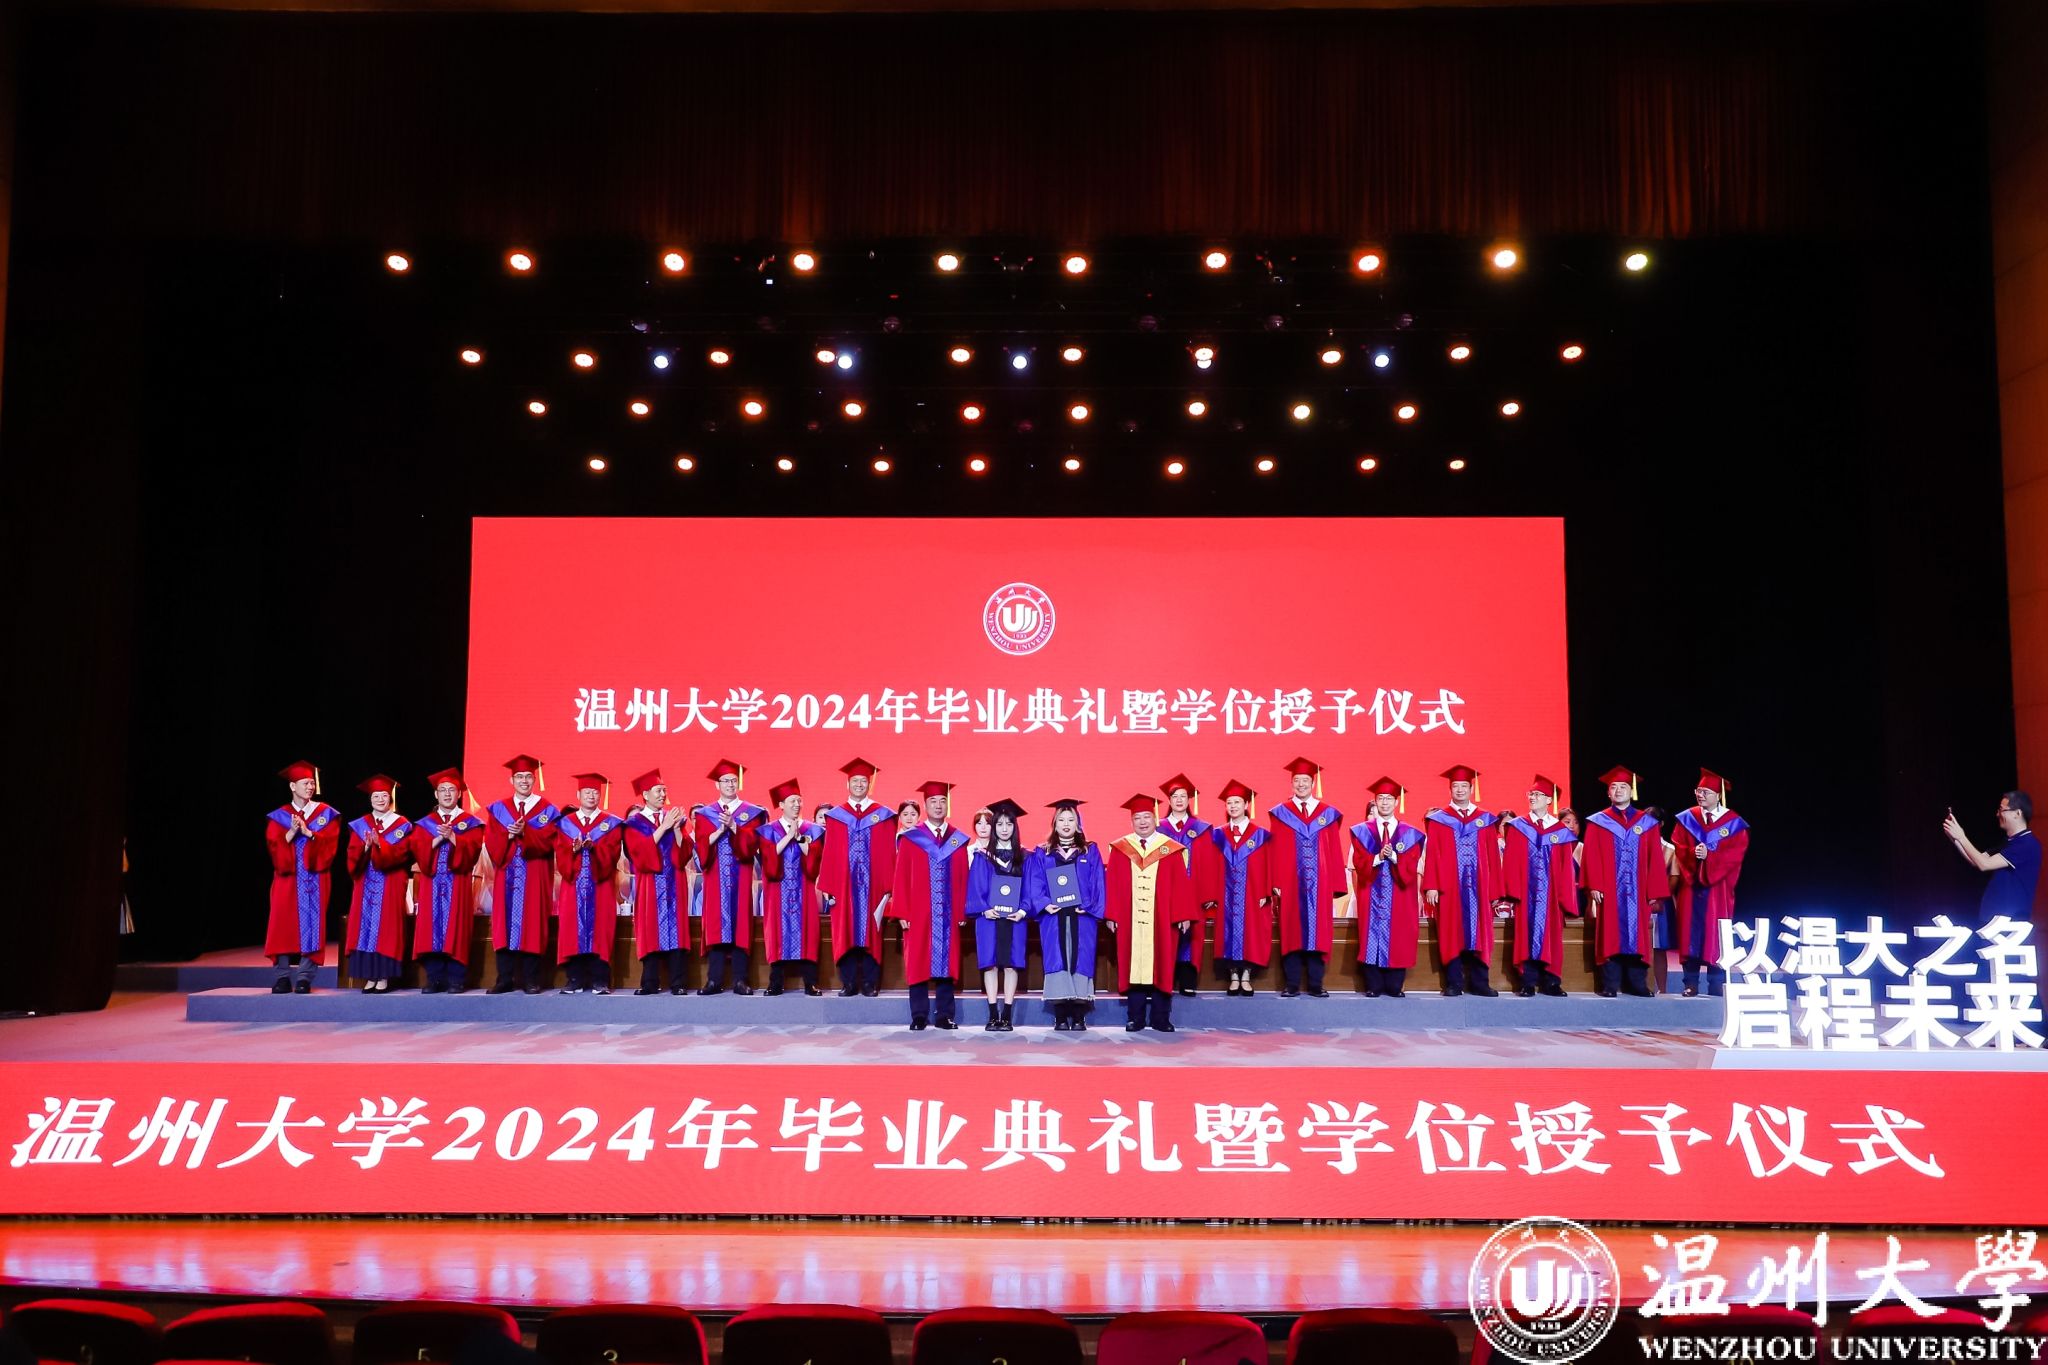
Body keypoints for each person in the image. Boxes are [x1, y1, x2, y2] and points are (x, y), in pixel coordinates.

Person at [1105, 794, 1195, 1032]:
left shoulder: (1169, 849)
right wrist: (1112, 914)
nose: (1143, 822)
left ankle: (1160, 1018)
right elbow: (1112, 883)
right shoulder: (1122, 849)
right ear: (1131, 821)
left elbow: (1180, 885)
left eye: (1147, 817)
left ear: (1155, 819)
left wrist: (1183, 914)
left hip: (1162, 918)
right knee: (1133, 964)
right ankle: (1135, 1017)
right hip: (1130, 918)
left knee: (1163, 964)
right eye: (1137, 818)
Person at [891, 780, 972, 1030]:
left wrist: (961, 910)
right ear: (925, 806)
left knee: (947, 962)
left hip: (948, 912)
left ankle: (944, 1015)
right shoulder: (911, 838)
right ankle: (918, 1015)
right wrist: (902, 911)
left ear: (948, 805)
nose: (938, 806)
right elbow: (901, 876)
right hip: (919, 911)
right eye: (933, 801)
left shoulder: (957, 840)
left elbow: (963, 877)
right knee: (918, 960)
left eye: (942, 801)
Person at [1421, 765, 1506, 997]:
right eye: (1455, 786)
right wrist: (1432, 885)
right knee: (1451, 933)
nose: (1459, 790)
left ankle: (1480, 983)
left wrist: (1495, 890)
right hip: (1450, 888)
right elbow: (1432, 855)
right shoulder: (1439, 820)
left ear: (1471, 788)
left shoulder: (1485, 820)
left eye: (1464, 786)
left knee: (1480, 933)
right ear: (1450, 789)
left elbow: (1493, 857)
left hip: (1479, 888)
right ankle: (1453, 983)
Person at [1267, 757, 1346, 998]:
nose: (1301, 784)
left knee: (1318, 932)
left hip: (1320, 883)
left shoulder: (1327, 814)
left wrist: (1335, 883)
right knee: (1291, 931)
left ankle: (1315, 984)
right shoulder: (1281, 813)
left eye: (1305, 780)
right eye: (1297, 780)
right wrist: (1276, 881)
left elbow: (1334, 850)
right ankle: (1291, 984)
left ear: (1313, 783)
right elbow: (1275, 849)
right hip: (1291, 882)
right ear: (1292, 784)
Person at [819, 758, 897, 998]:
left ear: (869, 784)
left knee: (872, 932)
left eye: (864, 781)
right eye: (855, 781)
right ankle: (849, 983)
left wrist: (888, 887)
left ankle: (870, 983)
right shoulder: (837, 816)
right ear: (848, 784)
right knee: (846, 931)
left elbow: (888, 853)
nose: (859, 785)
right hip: (844, 887)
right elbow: (830, 852)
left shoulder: (882, 815)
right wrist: (828, 885)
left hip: (873, 887)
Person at [1581, 766, 1662, 997]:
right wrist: (1595, 884)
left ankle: (1637, 983)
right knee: (1610, 935)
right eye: (1613, 787)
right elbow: (1591, 856)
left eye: (1623, 786)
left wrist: (1654, 890)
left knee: (1637, 935)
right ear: (1608, 792)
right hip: (1610, 889)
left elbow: (1654, 858)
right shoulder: (1598, 822)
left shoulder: (1646, 822)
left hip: (1638, 889)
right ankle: (1610, 984)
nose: (1618, 790)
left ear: (1631, 791)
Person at [1029, 798, 1108, 1031]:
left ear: (1078, 823)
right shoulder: (1043, 852)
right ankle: (1061, 1015)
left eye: (1071, 819)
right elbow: (1035, 882)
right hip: (1054, 918)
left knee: (1081, 959)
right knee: (1058, 960)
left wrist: (1089, 906)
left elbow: (1098, 882)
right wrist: (1044, 904)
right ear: (1054, 824)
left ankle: (1080, 1015)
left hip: (1082, 917)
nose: (1066, 824)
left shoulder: (1089, 850)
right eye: (1061, 820)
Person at [484, 754, 558, 995]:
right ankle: (504, 979)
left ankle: (531, 980)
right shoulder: (498, 809)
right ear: (511, 780)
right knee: (504, 925)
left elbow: (550, 842)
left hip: (534, 876)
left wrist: (526, 833)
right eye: (519, 777)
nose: (524, 781)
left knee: (532, 924)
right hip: (507, 874)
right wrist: (508, 835)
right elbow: (491, 842)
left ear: (534, 779)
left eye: (528, 777)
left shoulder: (547, 810)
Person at [1672, 769, 1750, 997]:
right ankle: (1690, 983)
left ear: (1718, 795)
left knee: (1716, 934)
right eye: (1698, 791)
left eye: (1706, 792)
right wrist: (1692, 854)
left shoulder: (1733, 824)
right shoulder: (1687, 819)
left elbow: (1735, 856)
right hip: (1691, 885)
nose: (1700, 795)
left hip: (1718, 889)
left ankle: (1716, 984)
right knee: (1689, 933)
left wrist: (1711, 858)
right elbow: (1679, 846)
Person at [264, 761, 341, 994]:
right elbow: (274, 850)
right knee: (282, 925)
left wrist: (309, 833)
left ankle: (305, 978)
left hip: (315, 879)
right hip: (287, 880)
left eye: (311, 783)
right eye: (305, 783)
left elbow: (330, 848)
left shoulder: (326, 814)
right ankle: (282, 977)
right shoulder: (279, 816)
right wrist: (291, 832)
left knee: (313, 926)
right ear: (292, 786)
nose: (310, 787)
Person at [690, 759, 765, 996]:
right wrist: (719, 831)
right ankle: (714, 980)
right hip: (715, 879)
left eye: (734, 780)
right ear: (717, 785)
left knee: (741, 926)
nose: (730, 784)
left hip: (741, 877)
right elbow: (701, 848)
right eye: (725, 781)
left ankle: (741, 980)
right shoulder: (705, 814)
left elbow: (751, 847)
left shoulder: (751, 813)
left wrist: (734, 827)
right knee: (716, 925)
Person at [1196, 779, 1277, 997]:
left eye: (1237, 802)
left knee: (1251, 932)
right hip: (1226, 893)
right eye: (1229, 803)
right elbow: (1211, 866)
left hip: (1252, 892)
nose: (1233, 806)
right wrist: (1211, 894)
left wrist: (1266, 891)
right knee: (1228, 931)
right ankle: (1233, 976)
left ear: (1246, 805)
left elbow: (1268, 864)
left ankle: (1246, 975)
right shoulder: (1218, 835)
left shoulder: (1260, 835)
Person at [1500, 776, 1578, 997]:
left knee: (1551, 937)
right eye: (1531, 794)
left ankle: (1551, 982)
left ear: (1549, 800)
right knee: (1525, 935)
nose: (1532, 798)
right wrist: (1512, 892)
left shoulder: (1560, 831)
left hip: (1551, 896)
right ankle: (1527, 982)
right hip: (1526, 894)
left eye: (1537, 795)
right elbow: (1511, 861)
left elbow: (1565, 868)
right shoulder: (1518, 827)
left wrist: (1565, 897)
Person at [410, 768, 485, 994]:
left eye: (451, 790)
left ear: (459, 794)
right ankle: (434, 979)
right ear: (436, 795)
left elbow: (473, 852)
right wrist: (437, 839)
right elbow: (418, 850)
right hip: (431, 883)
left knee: (457, 928)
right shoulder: (425, 823)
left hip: (457, 884)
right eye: (442, 790)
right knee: (431, 928)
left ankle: (456, 979)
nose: (447, 794)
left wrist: (453, 838)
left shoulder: (470, 822)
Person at [1347, 776, 1423, 998]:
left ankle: (1394, 985)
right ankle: (1373, 985)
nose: (1385, 802)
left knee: (1399, 935)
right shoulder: (1362, 830)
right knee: (1370, 935)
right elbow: (1358, 861)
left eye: (1389, 798)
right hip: (1372, 891)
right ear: (1375, 801)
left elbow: (1413, 863)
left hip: (1400, 893)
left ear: (1396, 802)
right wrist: (1378, 857)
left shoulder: (1410, 833)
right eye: (1381, 798)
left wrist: (1396, 857)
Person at [553, 774, 627, 994]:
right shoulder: (565, 823)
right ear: (578, 795)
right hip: (573, 886)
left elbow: (613, 854)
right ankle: (574, 979)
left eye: (595, 792)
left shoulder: (611, 823)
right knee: (572, 929)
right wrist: (574, 850)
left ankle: (600, 980)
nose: (591, 796)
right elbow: (561, 855)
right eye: (587, 792)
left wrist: (595, 849)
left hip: (600, 886)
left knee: (600, 930)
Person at [622, 768, 691, 995]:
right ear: (645, 794)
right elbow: (639, 855)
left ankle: (678, 983)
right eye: (658, 790)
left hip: (674, 883)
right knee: (651, 929)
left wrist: (677, 829)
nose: (662, 794)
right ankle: (649, 982)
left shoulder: (673, 819)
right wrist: (663, 827)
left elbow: (683, 856)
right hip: (650, 884)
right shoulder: (633, 824)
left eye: (664, 790)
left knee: (677, 930)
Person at [343, 775, 413, 994]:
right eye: (376, 796)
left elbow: (402, 854)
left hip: (390, 883)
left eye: (384, 795)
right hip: (365, 883)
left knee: (386, 929)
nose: (380, 799)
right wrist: (366, 847)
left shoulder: (401, 825)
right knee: (365, 928)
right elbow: (352, 856)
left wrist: (380, 845)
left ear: (390, 797)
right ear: (370, 799)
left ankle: (383, 976)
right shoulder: (360, 825)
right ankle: (370, 976)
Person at [968, 798, 1031, 1031]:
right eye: (1000, 824)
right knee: (991, 964)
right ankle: (993, 1014)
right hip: (989, 919)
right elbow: (975, 888)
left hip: (1015, 919)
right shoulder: (982, 856)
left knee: (1011, 964)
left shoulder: (1025, 856)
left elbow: (1030, 889)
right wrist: (985, 908)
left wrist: (1023, 910)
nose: (1004, 829)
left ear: (1015, 827)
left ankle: (1007, 1015)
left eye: (1009, 824)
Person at [759, 779, 825, 995]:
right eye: (792, 801)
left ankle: (810, 982)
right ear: (781, 805)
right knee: (777, 932)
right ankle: (775, 982)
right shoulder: (768, 831)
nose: (797, 805)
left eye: (799, 800)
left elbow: (815, 863)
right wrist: (789, 836)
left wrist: (800, 840)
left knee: (808, 932)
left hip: (803, 890)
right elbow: (768, 861)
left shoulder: (813, 830)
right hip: (777, 891)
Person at [1945, 791, 2041, 929]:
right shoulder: (2008, 842)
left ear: (2017, 813)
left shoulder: (2026, 844)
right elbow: (1976, 860)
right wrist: (1955, 838)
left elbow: (1984, 864)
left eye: (2002, 810)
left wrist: (1961, 837)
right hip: (1994, 919)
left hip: (2010, 922)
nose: (1997, 814)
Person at [1158, 774, 1214, 996]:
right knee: (1166, 933)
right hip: (1166, 891)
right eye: (1175, 796)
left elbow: (1208, 863)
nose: (1179, 800)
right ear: (1169, 800)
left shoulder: (1201, 828)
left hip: (1193, 891)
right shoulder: (1159, 829)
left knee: (1192, 936)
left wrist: (1208, 893)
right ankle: (1166, 980)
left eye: (1183, 796)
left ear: (1189, 799)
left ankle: (1187, 980)